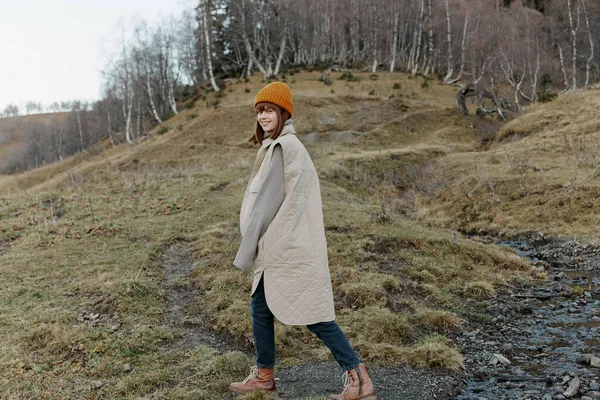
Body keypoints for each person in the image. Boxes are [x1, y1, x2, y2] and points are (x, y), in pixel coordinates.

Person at [230, 82, 376, 400]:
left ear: (283, 112)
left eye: (268, 110)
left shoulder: (284, 147)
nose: (263, 116)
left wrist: (247, 248)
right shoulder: (279, 147)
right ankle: (264, 376)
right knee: (261, 308)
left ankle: (360, 380)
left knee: (315, 317)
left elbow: (266, 206)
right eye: (258, 111)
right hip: (282, 247)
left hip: (282, 248)